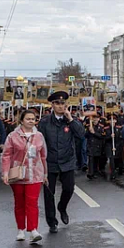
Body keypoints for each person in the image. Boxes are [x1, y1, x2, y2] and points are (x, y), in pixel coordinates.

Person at [39, 91, 86, 234]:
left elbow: (81, 135)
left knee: (69, 189)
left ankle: (62, 207)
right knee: (49, 193)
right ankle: (52, 222)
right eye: (57, 103)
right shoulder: (45, 122)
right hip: (50, 162)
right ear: (52, 105)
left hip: (67, 161)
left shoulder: (71, 120)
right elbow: (40, 142)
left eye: (63, 103)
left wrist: (71, 119)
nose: (60, 106)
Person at [0, 109, 47, 245]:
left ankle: (33, 230)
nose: (31, 121)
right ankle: (21, 229)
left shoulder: (39, 136)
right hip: (18, 174)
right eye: (28, 119)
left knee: (32, 203)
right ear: (21, 120)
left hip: (35, 173)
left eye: (33, 119)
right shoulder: (12, 136)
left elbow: (43, 155)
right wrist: (5, 173)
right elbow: (6, 155)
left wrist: (45, 173)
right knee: (20, 203)